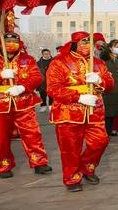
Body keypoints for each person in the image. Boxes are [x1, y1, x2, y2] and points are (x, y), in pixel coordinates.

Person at [0, 32, 52, 177]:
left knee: (32, 134)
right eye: (7, 41)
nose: (11, 44)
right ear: (0, 43)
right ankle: (4, 165)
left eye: (14, 41)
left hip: (24, 101)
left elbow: (36, 77)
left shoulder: (27, 59)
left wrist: (23, 87)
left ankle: (39, 162)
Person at [47, 32, 114, 190]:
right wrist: (78, 97)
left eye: (90, 43)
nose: (87, 46)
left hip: (95, 110)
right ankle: (72, 178)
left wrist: (100, 81)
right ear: (74, 43)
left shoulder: (98, 63)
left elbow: (110, 84)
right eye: (84, 42)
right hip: (68, 112)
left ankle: (87, 167)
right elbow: (53, 88)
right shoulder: (59, 62)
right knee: (70, 149)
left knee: (100, 142)